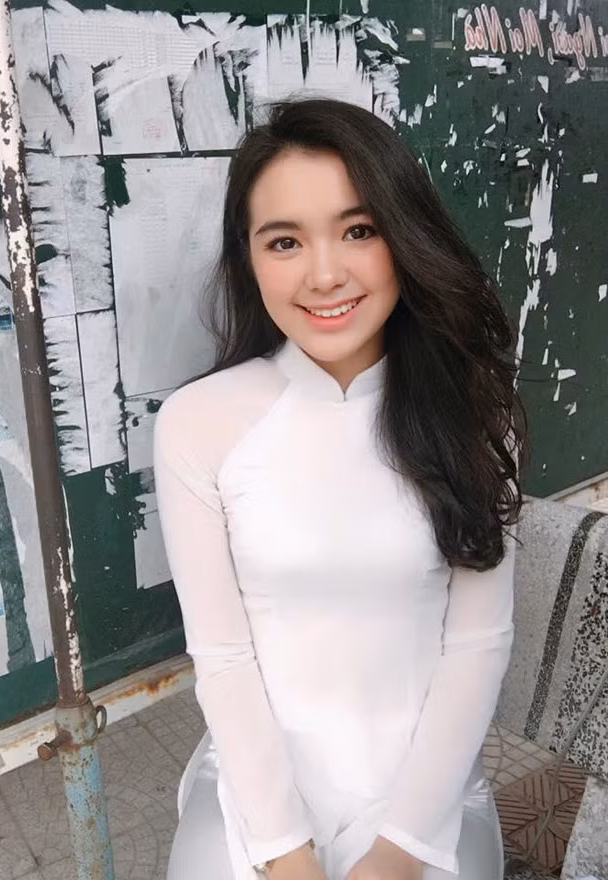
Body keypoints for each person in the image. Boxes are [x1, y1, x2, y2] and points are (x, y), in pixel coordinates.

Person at [154, 98, 526, 880]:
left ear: (405, 237)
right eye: (285, 241)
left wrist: (401, 852)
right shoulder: (198, 423)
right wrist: (285, 854)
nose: (325, 274)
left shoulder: (473, 412)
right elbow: (223, 657)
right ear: (250, 260)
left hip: (427, 799)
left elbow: (478, 645)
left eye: (359, 231)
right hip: (257, 796)